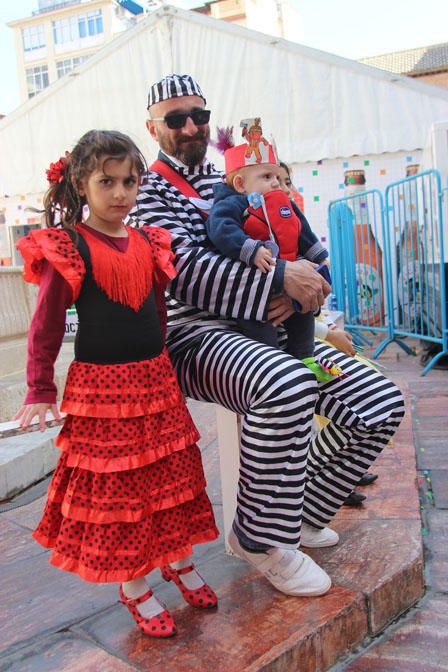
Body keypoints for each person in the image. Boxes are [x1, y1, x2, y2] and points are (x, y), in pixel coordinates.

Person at [132, 74, 405, 598]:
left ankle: (302, 514)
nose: (190, 126)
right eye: (175, 118)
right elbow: (185, 269)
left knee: (379, 402)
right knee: (283, 384)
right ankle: (263, 538)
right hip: (196, 337)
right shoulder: (146, 190)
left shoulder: (238, 175)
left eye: (199, 115)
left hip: (276, 328)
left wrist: (311, 285)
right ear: (152, 127)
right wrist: (281, 281)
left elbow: (302, 236)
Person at [14, 129, 219, 639]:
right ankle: (134, 583)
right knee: (120, 492)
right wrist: (40, 387)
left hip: (155, 383)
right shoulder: (68, 247)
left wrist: (165, 368)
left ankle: (177, 558)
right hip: (102, 394)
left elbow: (157, 314)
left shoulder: (151, 241)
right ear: (81, 183)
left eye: (130, 181)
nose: (121, 192)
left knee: (171, 480)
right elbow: (46, 324)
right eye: (107, 181)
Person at [206, 122, 335, 382]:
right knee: (258, 323)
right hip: (255, 287)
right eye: (267, 177)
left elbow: (301, 229)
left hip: (289, 280)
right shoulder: (232, 203)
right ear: (241, 184)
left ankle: (305, 357)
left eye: (276, 176)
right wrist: (250, 249)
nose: (276, 182)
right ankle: (272, 366)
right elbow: (220, 229)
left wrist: (317, 255)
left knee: (303, 312)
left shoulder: (283, 202)